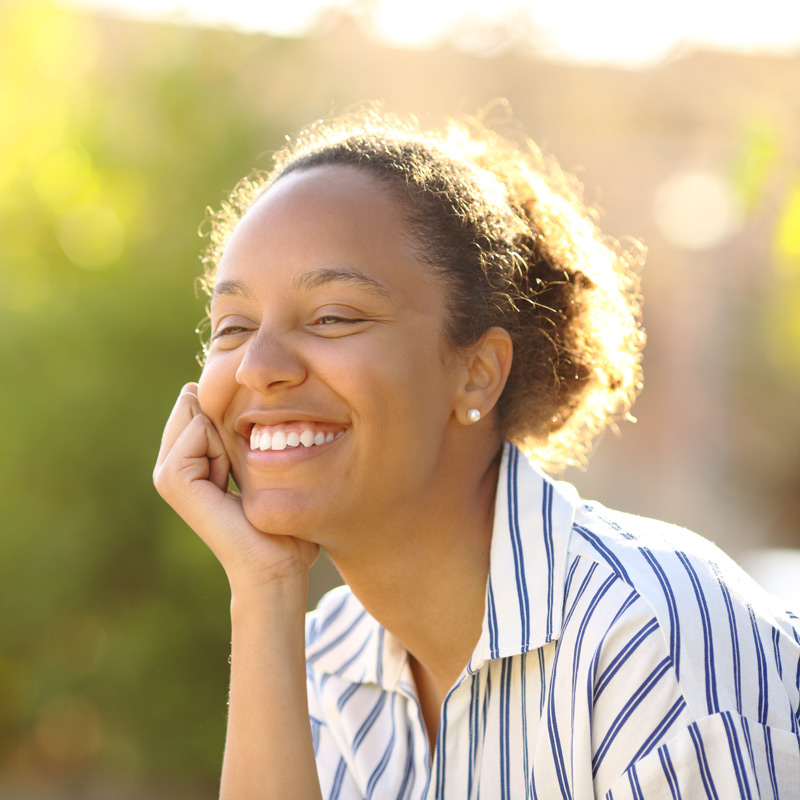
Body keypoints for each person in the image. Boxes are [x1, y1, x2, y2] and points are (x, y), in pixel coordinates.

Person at [154, 108, 800, 799]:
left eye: (334, 316)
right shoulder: (322, 666)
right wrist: (263, 589)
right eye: (233, 327)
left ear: (477, 374)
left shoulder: (653, 636)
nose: (257, 366)